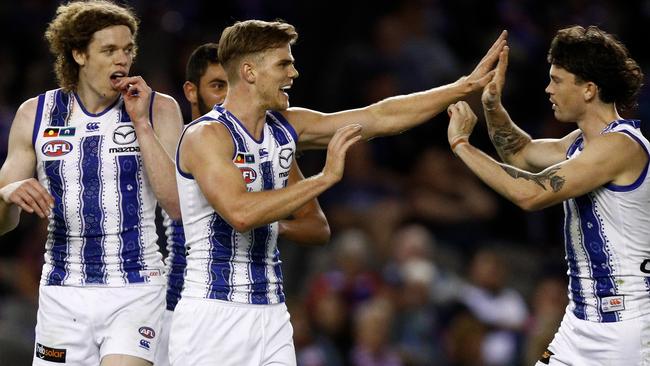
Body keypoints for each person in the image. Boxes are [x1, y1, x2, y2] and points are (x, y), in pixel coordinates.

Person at [169, 19, 507, 366]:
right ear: (250, 71)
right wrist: (324, 178)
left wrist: (461, 86)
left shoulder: (286, 127)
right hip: (212, 315)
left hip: (271, 313)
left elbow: (379, 116)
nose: (294, 72)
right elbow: (240, 213)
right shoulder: (205, 136)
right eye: (283, 63)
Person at [446, 25, 648, 365]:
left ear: (588, 89)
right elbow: (521, 153)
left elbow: (529, 193)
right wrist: (493, 106)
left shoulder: (621, 146)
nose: (547, 89)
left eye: (557, 80)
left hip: (625, 328)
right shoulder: (581, 144)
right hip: (579, 323)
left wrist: (461, 145)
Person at [0, 1, 184, 365]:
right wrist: (6, 195)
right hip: (63, 292)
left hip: (136, 287)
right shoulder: (34, 115)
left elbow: (178, 205)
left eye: (128, 49)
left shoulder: (158, 108)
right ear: (79, 53)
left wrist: (141, 124)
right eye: (109, 50)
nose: (122, 60)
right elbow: (3, 225)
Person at [155, 42, 330, 366]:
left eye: (230, 85)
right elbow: (233, 213)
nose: (226, 96)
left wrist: (274, 222)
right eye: (217, 86)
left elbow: (316, 227)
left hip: (260, 306)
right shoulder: (186, 143)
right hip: (181, 308)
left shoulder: (269, 144)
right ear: (191, 92)